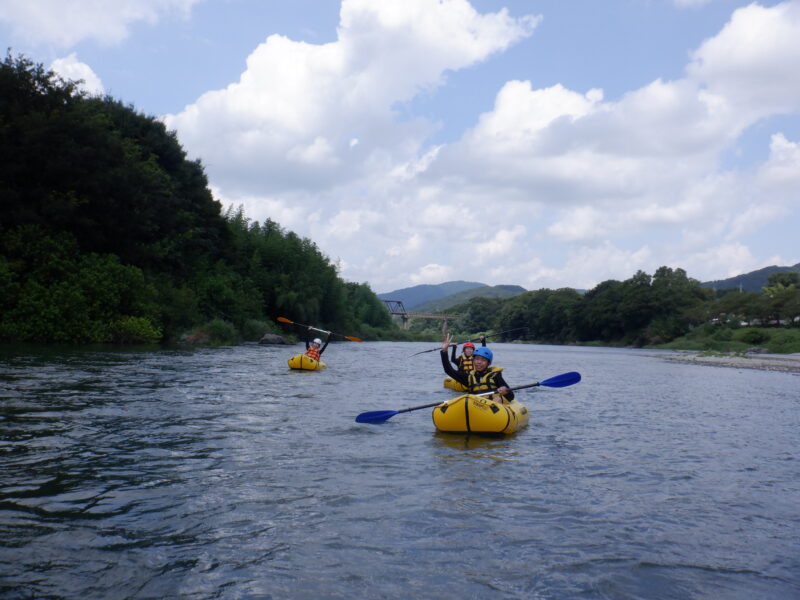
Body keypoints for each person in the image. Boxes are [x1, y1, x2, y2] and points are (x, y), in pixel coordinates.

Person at [440, 333, 514, 401]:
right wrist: (444, 351)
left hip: (491, 408)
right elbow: (449, 370)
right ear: (473, 360)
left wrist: (506, 391)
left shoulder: (495, 376)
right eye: (477, 359)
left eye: (483, 360)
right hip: (475, 407)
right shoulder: (469, 377)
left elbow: (511, 396)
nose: (479, 362)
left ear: (489, 363)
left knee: (498, 400)